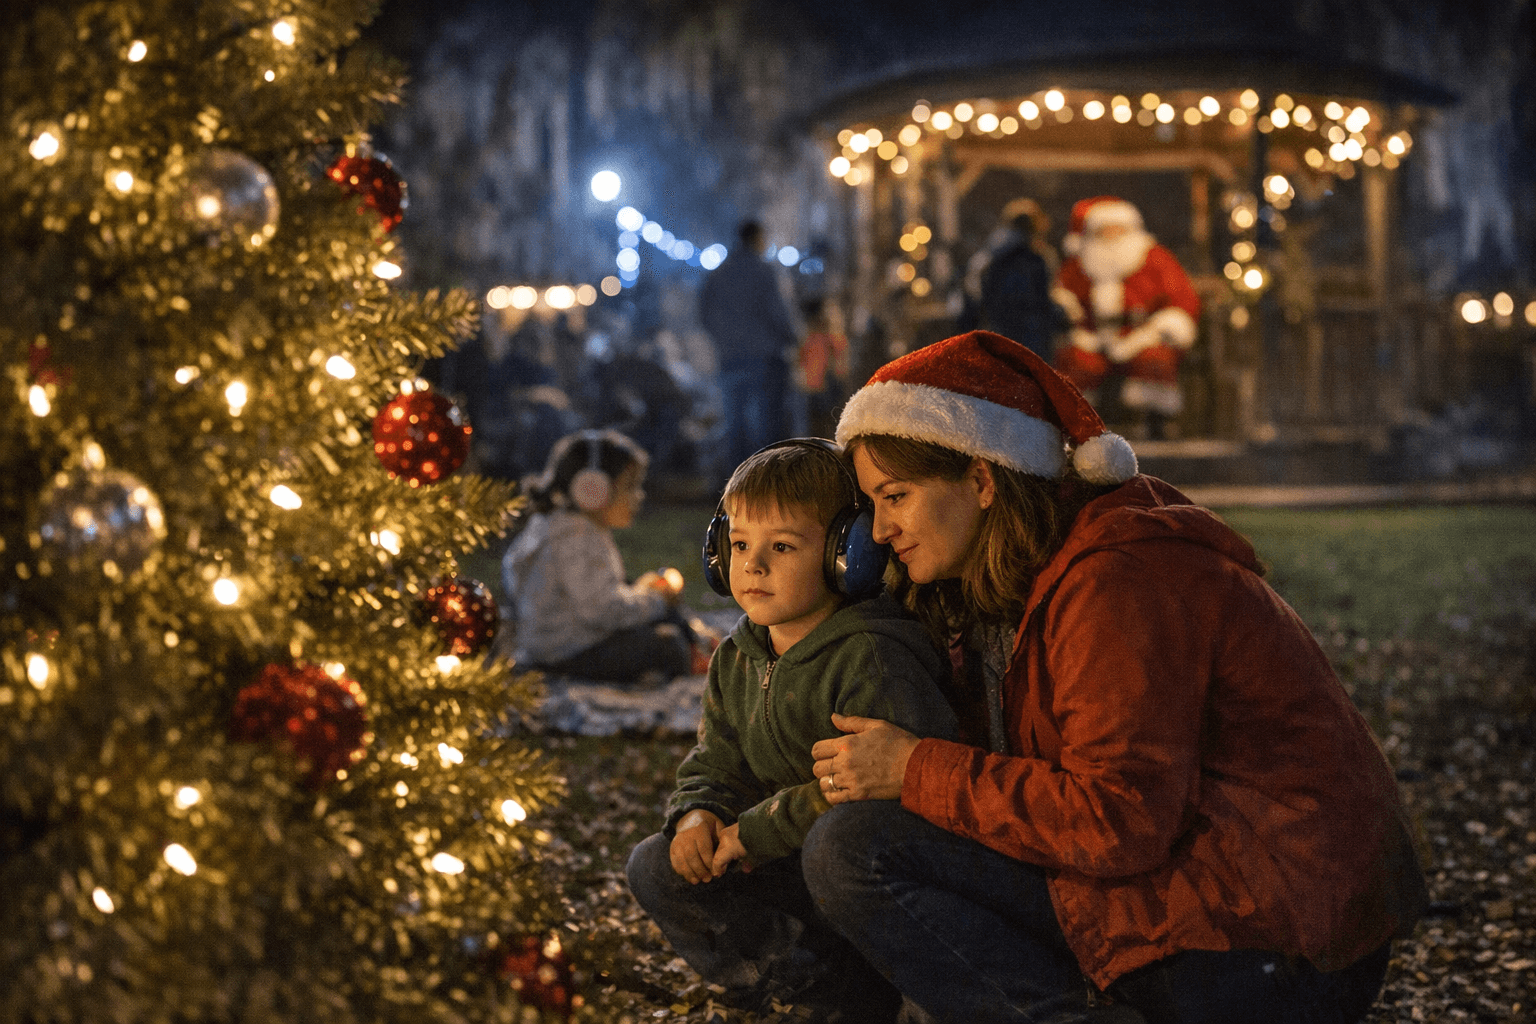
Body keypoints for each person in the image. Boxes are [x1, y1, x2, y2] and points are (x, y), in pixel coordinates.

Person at [802, 329, 1427, 1024]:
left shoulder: (1116, 582)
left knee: (856, 850)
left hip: (1267, 939)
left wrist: (918, 768)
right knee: (859, 840)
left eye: (896, 497)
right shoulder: (999, 579)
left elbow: (1120, 818)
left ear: (981, 480)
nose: (881, 530)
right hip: (1192, 893)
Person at [625, 439, 959, 1020]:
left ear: (847, 555)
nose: (752, 565)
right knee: (654, 865)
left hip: (863, 872)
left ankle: (865, 993)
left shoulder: (870, 656)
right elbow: (715, 760)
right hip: (783, 865)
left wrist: (752, 833)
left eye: (781, 546)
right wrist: (698, 816)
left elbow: (868, 791)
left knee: (838, 846)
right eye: (737, 544)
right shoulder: (738, 655)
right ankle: (792, 986)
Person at [501, 429, 694, 683]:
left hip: (552, 645)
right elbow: (602, 612)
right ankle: (694, 657)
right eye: (630, 487)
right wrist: (656, 601)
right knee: (668, 643)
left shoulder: (552, 525)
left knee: (652, 608)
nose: (639, 496)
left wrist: (640, 594)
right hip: (567, 653)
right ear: (592, 489)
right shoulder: (577, 537)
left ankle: (692, 645)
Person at [1052, 196, 1201, 440]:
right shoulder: (1079, 264)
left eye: (1118, 229)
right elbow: (1064, 297)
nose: (1111, 235)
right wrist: (1072, 323)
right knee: (1077, 362)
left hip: (1141, 334)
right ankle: (1077, 426)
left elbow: (1181, 299)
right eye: (1104, 230)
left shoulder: (1155, 259)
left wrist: (1164, 326)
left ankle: (1155, 423)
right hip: (1093, 336)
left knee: (1154, 359)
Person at [698, 220, 801, 474]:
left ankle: (736, 480)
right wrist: (792, 338)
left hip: (730, 358)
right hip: (765, 358)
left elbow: (704, 314)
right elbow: (776, 312)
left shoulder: (719, 273)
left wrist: (723, 340)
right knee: (767, 424)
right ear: (757, 238)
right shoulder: (764, 271)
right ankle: (766, 479)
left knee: (735, 422)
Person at [959, 197, 1067, 361]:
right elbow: (1046, 296)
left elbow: (973, 293)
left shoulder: (989, 255)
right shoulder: (1039, 256)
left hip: (1001, 331)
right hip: (1032, 333)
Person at [796, 298, 852, 439]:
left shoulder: (821, 337)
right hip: (816, 388)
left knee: (824, 425)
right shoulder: (817, 337)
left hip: (823, 387)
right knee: (820, 425)